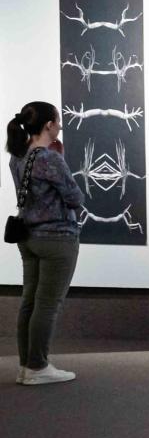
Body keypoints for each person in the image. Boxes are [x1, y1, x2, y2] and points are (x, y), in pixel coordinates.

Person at [8, 102, 85, 385]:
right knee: (48, 305)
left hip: (28, 237)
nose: (60, 126)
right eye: (58, 121)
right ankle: (38, 367)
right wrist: (60, 161)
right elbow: (75, 198)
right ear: (48, 125)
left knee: (29, 302)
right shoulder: (51, 159)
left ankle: (26, 366)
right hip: (57, 239)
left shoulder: (17, 157)